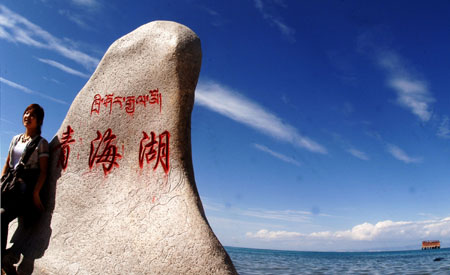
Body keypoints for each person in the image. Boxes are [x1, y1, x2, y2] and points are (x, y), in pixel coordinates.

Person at [1, 104, 49, 268]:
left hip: (24, 192)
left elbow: (43, 171)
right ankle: (5, 260)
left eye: (32, 115)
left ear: (39, 121)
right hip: (9, 187)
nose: (27, 116)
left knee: (2, 216)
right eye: (26, 113)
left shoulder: (41, 143)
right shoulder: (16, 139)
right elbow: (8, 164)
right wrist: (2, 182)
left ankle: (4, 259)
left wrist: (36, 194)